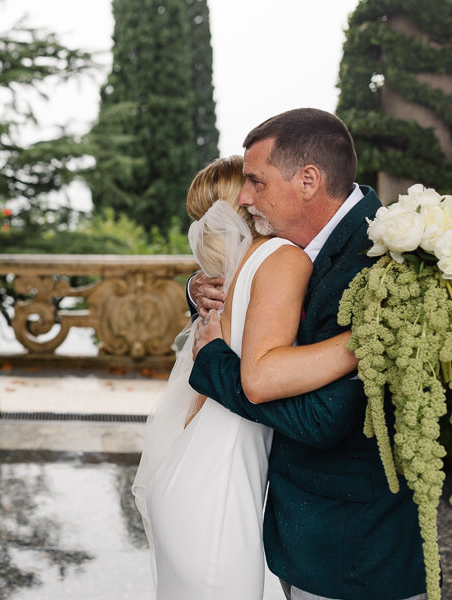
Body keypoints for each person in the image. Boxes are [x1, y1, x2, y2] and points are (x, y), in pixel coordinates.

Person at [189, 108, 426, 600]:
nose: (245, 197)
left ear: (308, 180)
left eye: (255, 181)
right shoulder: (293, 244)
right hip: (300, 535)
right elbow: (244, 286)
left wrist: (212, 362)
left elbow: (322, 419)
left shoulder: (381, 265)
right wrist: (199, 294)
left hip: (351, 555)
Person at [133, 155, 359, 599]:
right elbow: (263, 374)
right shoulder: (282, 258)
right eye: (252, 184)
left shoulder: (224, 274)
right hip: (220, 488)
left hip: (188, 470)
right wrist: (363, 341)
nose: (258, 192)